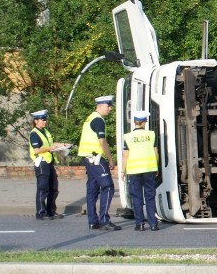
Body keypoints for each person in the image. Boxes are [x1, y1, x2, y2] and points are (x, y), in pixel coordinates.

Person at [78, 95, 121, 230]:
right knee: (108, 187)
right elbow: (102, 142)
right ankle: (104, 220)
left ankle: (93, 221)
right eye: (108, 106)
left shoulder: (90, 118)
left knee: (92, 189)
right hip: (95, 159)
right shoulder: (98, 120)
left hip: (88, 158)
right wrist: (110, 158)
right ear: (100, 106)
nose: (110, 108)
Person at [120, 110, 160, 231]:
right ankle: (153, 224)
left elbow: (125, 155)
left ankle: (140, 224)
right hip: (149, 169)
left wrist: (123, 171)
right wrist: (156, 167)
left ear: (135, 122)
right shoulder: (151, 135)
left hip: (133, 171)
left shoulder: (128, 137)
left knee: (136, 197)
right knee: (150, 197)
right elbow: (156, 153)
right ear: (144, 122)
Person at [28, 109, 70, 220]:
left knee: (53, 188)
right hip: (41, 163)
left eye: (45, 119)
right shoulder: (34, 134)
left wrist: (62, 145)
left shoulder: (45, 131)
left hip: (49, 162)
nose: (45, 121)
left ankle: (51, 211)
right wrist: (50, 148)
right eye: (42, 119)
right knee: (43, 188)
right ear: (36, 121)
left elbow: (51, 144)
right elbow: (36, 150)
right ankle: (41, 212)